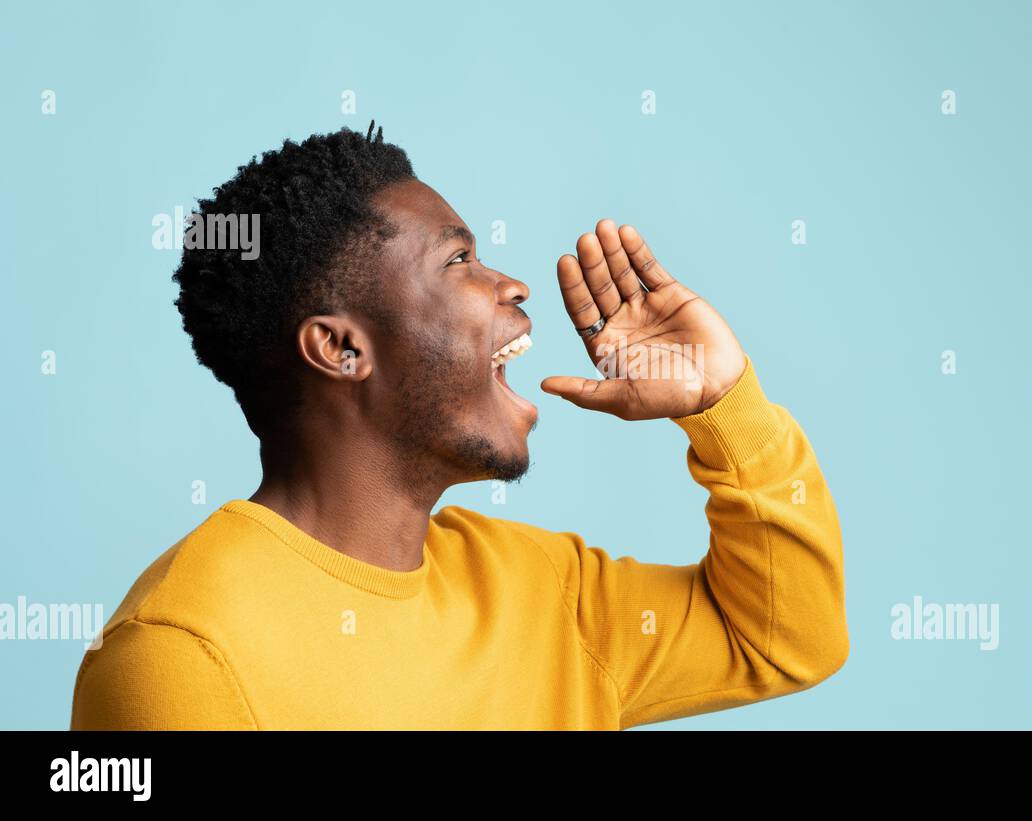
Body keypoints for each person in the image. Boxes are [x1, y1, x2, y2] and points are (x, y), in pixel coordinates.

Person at [70, 123, 848, 729]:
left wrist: (724, 403)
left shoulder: (546, 593)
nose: (510, 283)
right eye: (458, 260)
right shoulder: (180, 654)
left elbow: (782, 636)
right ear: (342, 347)